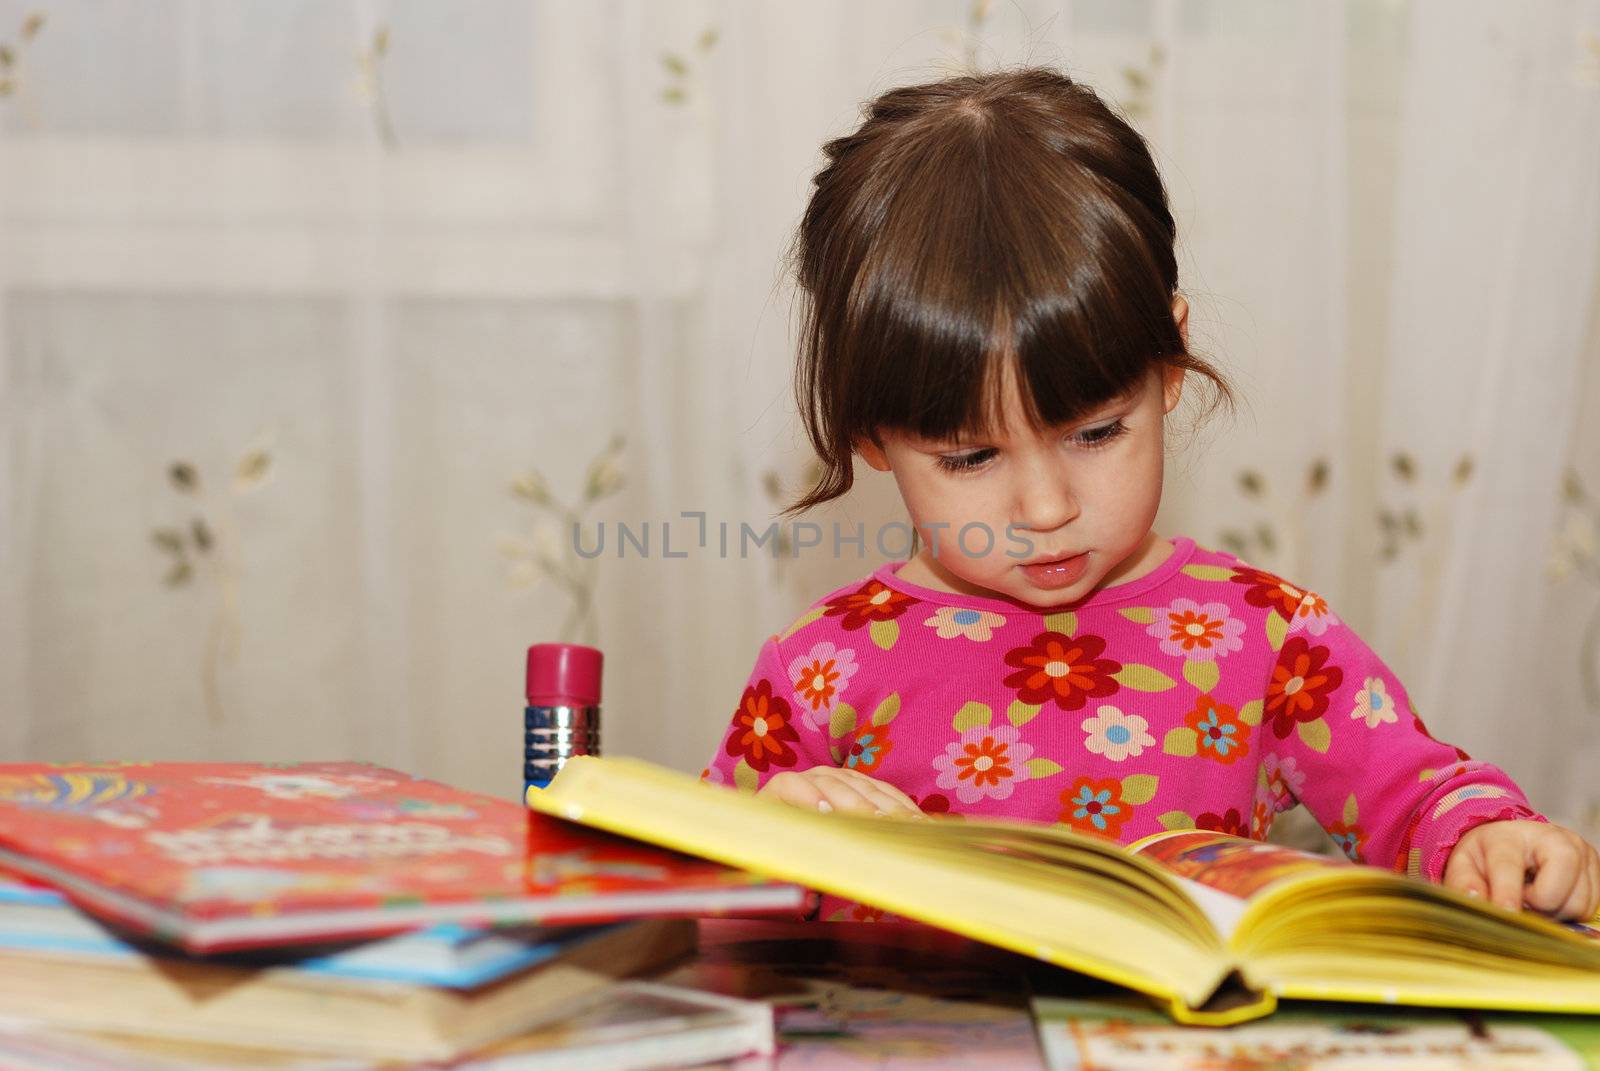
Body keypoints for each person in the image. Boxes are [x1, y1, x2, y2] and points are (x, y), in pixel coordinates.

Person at [700, 67, 1600, 922]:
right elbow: (675, 898)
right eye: (972, 458)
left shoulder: (1268, 636)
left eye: (1096, 434)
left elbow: (1417, 795)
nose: (1046, 508)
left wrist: (1489, 838)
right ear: (872, 437)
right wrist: (761, 845)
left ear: (1169, 366)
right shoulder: (820, 672)